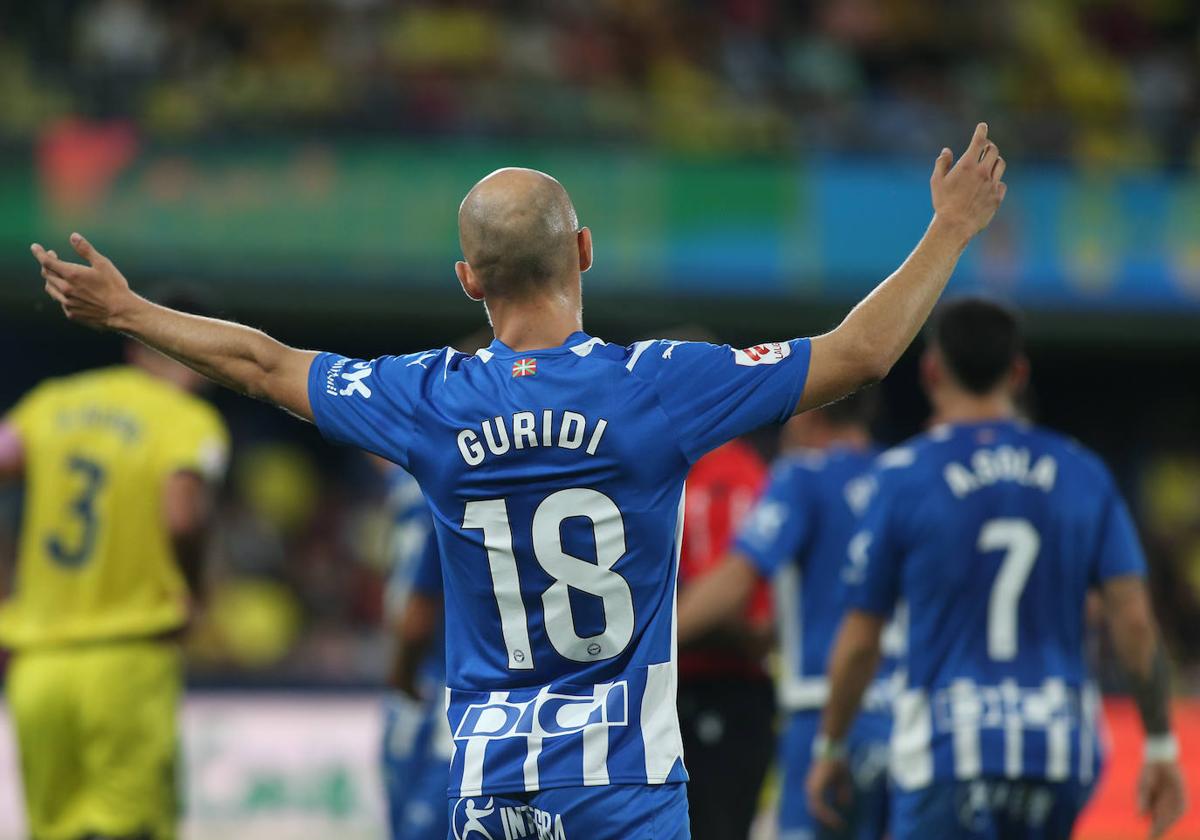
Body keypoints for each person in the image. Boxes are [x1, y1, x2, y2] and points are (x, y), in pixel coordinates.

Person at [30, 123, 1006, 839]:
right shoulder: (654, 387)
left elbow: (261, 363)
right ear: (584, 252)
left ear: (468, 279)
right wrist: (950, 230)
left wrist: (128, 310)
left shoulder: (425, 397)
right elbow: (861, 354)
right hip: (624, 789)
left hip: (493, 786)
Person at [807, 298, 1188, 839]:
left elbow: (861, 639)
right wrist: (1160, 744)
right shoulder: (1083, 471)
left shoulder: (903, 477)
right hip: (1058, 751)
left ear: (932, 371)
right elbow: (1133, 622)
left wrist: (832, 745)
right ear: (1018, 373)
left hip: (947, 751)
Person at [0, 300, 229, 840]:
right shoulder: (187, 419)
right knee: (131, 827)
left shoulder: (52, 402)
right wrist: (194, 590)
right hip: (129, 656)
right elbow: (181, 516)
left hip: (37, 664)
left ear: (134, 348)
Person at [677, 391, 895, 840]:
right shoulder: (904, 476)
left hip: (821, 709)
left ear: (808, 412)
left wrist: (648, 638)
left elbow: (739, 577)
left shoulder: (801, 477)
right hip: (905, 716)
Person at [675, 438, 774, 840]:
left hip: (720, 691)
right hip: (674, 693)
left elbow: (736, 609)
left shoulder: (728, 476)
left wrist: (638, 640)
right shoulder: (678, 467)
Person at [377, 460, 454, 839]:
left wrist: (399, 672)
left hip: (419, 686)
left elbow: (416, 614)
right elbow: (418, 613)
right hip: (442, 684)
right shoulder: (449, 486)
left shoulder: (407, 481)